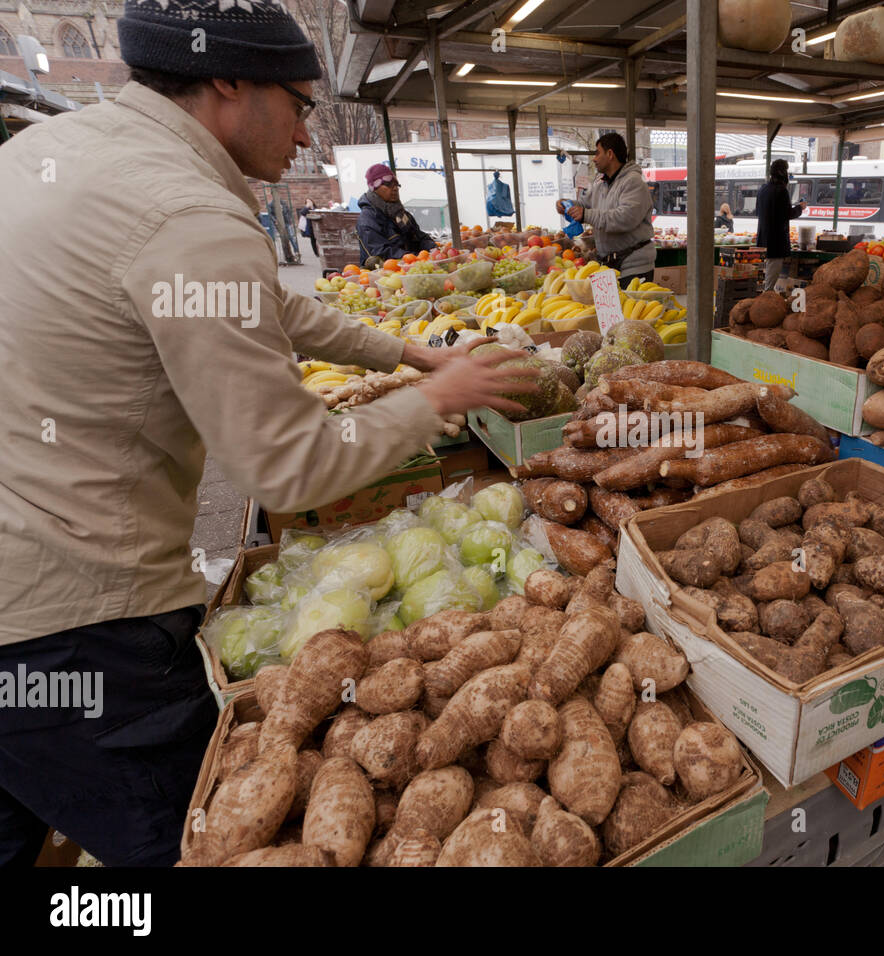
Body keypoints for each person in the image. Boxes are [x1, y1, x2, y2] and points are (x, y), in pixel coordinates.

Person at [0, 0, 536, 868]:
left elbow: (263, 300)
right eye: (298, 102)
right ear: (227, 81)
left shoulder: (57, 152)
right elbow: (288, 468)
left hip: (22, 600)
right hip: (70, 625)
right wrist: (439, 400)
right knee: (188, 845)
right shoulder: (185, 214)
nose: (305, 134)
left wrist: (409, 352)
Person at [555, 132, 655, 289]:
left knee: (631, 313)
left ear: (610, 154)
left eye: (597, 153)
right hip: (608, 264)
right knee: (608, 313)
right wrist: (566, 205)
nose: (594, 158)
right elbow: (584, 204)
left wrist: (586, 215)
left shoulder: (633, 183)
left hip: (633, 268)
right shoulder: (601, 185)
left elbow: (625, 218)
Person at [356, 164, 440, 263]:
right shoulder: (368, 219)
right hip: (384, 274)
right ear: (374, 188)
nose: (395, 188)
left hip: (410, 267)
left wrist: (434, 249)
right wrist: (415, 257)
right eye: (388, 185)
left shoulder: (401, 214)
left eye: (396, 185)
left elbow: (419, 237)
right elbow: (380, 253)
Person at [756, 158, 805, 291]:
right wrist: (800, 208)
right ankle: (766, 303)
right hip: (776, 242)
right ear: (782, 172)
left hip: (763, 239)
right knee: (770, 283)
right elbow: (787, 214)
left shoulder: (762, 189)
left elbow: (758, 212)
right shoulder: (781, 191)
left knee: (765, 277)